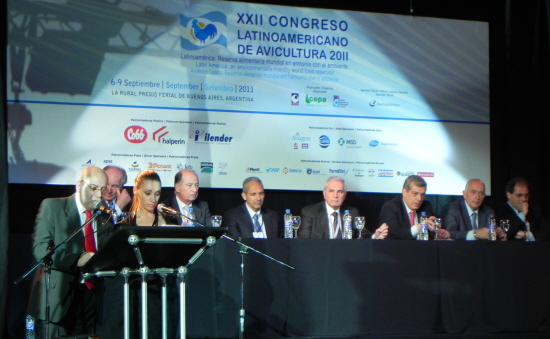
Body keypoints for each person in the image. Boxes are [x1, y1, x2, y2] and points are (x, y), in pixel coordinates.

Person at [28, 166, 112, 338]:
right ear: (79, 185)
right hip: (59, 296)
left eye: (102, 190)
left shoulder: (104, 218)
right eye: (94, 188)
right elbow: (41, 249)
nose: (98, 195)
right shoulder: (53, 206)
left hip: (91, 297)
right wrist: (77, 259)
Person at [99, 170, 175, 339]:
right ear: (136, 190)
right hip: (129, 292)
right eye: (148, 193)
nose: (153, 200)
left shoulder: (168, 223)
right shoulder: (122, 226)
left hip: (157, 292)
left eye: (157, 194)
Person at [298, 176, 388, 239]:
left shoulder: (352, 212)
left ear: (345, 195)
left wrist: (375, 236)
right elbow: (303, 239)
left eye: (340, 192)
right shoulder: (310, 212)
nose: (335, 195)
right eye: (331, 191)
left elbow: (362, 234)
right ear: (324, 193)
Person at [379, 175, 450, 240]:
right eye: (415, 193)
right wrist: (419, 227)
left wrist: (438, 234)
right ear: (405, 192)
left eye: (422, 194)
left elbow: (429, 233)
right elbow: (395, 234)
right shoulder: (390, 207)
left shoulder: (426, 206)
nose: (419, 199)